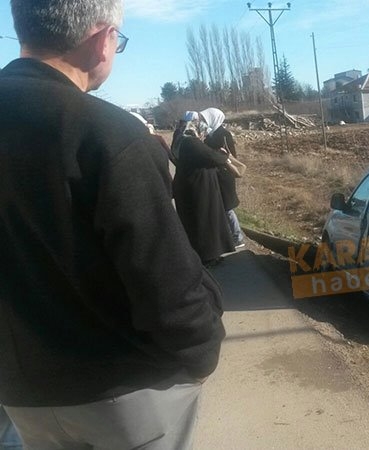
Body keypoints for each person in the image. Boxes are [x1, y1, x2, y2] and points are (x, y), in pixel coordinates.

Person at [0, 2, 226, 449]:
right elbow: (166, 282)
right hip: (124, 393)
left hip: (22, 393)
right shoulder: (109, 134)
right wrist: (203, 349)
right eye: (118, 42)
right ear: (102, 40)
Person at [173, 119, 236, 265]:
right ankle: (206, 257)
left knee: (204, 222)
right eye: (203, 132)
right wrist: (225, 156)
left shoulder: (185, 141)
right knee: (204, 222)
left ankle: (211, 254)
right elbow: (211, 157)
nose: (204, 136)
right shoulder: (192, 143)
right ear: (197, 130)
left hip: (193, 188)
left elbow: (205, 154)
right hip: (197, 191)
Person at [200, 107, 245, 248]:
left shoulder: (224, 134)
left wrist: (218, 157)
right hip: (215, 174)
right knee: (220, 205)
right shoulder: (209, 135)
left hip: (224, 175)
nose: (203, 122)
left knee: (227, 207)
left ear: (214, 119)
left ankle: (238, 237)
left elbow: (232, 156)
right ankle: (228, 235)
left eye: (205, 119)